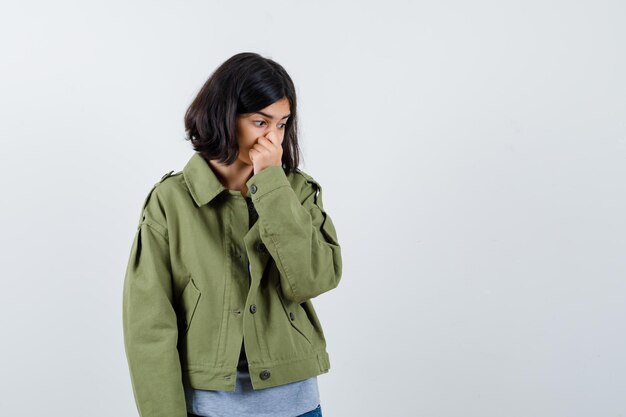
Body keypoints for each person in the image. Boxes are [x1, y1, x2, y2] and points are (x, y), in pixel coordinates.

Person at [122, 52, 342, 417]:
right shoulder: (171, 202)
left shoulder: (295, 192)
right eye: (261, 122)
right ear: (225, 117)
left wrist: (272, 185)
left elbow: (311, 280)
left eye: (282, 124)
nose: (273, 138)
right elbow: (149, 328)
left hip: (295, 405)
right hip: (208, 407)